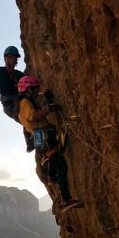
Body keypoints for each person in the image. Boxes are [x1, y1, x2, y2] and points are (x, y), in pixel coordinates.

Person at [17, 75, 82, 212]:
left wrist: (47, 104)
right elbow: (33, 116)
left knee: (55, 155)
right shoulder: (24, 102)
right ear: (28, 90)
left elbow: (35, 114)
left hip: (41, 137)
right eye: (35, 90)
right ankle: (66, 200)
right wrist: (48, 109)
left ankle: (51, 176)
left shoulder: (26, 103)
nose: (36, 93)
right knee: (61, 165)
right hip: (43, 136)